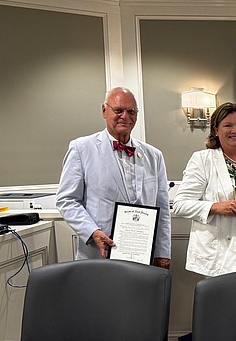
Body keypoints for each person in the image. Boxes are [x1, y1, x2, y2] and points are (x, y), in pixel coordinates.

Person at [56, 87, 170, 268]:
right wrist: (93, 232)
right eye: (118, 110)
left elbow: (162, 207)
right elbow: (67, 200)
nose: (125, 116)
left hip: (143, 256)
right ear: (104, 111)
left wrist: (163, 252)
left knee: (140, 298)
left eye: (131, 111)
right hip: (98, 255)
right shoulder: (81, 148)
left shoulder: (154, 156)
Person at [172, 102, 236, 276]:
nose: (235, 130)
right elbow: (180, 205)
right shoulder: (203, 160)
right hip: (219, 256)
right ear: (216, 130)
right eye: (228, 125)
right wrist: (216, 207)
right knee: (220, 303)